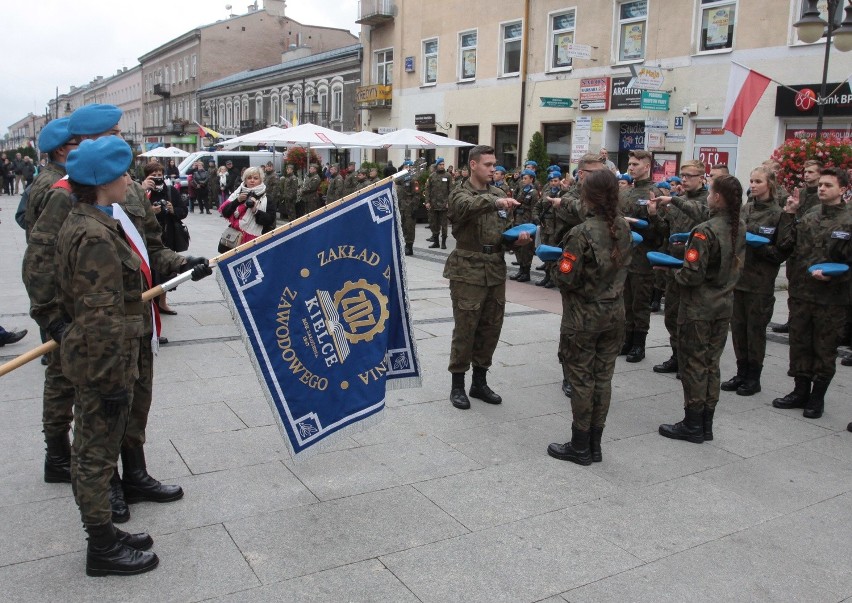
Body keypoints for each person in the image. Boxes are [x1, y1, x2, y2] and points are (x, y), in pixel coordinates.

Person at [24, 104, 210, 520]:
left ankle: (135, 473)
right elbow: (38, 262)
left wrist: (181, 264)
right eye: (109, 134)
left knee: (137, 396)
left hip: (134, 316)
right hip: (96, 322)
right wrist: (52, 319)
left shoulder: (128, 190)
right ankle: (106, 488)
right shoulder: (66, 198)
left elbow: (150, 247)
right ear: (85, 145)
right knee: (103, 407)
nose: (119, 141)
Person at [55, 135, 159, 576]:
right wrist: (112, 378)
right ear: (102, 181)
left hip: (100, 356)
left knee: (95, 451)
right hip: (103, 362)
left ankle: (105, 534)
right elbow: (100, 318)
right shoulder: (94, 235)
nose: (127, 179)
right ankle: (101, 546)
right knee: (95, 456)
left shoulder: (90, 220)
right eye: (121, 173)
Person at [547, 169, 632, 464]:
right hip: (615, 314)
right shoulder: (623, 227)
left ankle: (580, 445)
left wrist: (552, 267)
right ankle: (595, 443)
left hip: (584, 317)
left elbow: (566, 278)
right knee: (603, 379)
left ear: (588, 196)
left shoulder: (580, 233)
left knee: (582, 379)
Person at [657, 174, 746, 443]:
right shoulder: (738, 225)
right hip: (723, 305)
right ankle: (706, 422)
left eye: (711, 193)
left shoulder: (703, 232)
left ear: (717, 197)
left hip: (699, 308)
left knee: (694, 363)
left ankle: (693, 423)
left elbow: (692, 275)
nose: (708, 196)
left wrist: (671, 271)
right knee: (711, 364)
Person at [444, 145, 530, 410]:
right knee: (466, 328)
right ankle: (457, 384)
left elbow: (502, 233)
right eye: (488, 164)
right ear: (473, 165)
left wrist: (516, 241)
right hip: (468, 269)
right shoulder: (460, 193)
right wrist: (495, 202)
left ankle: (479, 382)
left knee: (491, 327)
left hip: (494, 268)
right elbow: (466, 209)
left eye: (494, 164)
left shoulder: (499, 194)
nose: (494, 169)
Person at [772, 167, 852, 419]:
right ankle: (800, 391)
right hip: (803, 292)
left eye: (828, 185)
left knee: (824, 348)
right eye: (821, 184)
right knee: (799, 344)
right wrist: (789, 214)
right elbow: (787, 244)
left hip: (832, 298)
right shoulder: (810, 215)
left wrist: (835, 276)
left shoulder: (849, 220)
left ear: (843, 189)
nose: (822, 188)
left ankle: (817, 398)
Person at [720, 166, 786, 396]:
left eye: (758, 181)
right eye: (751, 180)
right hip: (739, 279)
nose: (754, 185)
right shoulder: (744, 210)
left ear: (770, 184)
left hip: (760, 281)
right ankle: (741, 372)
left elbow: (782, 251)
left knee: (755, 330)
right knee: (737, 329)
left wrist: (760, 246)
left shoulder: (778, 214)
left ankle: (753, 376)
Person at [648, 160, 710, 376]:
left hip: (696, 269)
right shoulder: (678, 201)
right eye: (682, 175)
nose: (684, 179)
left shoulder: (708, 200)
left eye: (690, 176)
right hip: (675, 267)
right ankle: (676, 356)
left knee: (692, 319)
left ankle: (690, 361)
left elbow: (702, 215)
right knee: (672, 314)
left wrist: (673, 200)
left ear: (702, 177)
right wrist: (655, 214)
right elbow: (666, 231)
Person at [618, 150, 663, 363]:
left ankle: (639, 343)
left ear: (647, 166)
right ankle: (627, 339)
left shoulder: (655, 193)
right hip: (625, 255)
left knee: (640, 301)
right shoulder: (624, 193)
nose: (631, 167)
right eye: (629, 164)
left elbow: (661, 232)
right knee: (626, 300)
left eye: (636, 164)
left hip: (643, 256)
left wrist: (651, 218)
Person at [772, 160, 823, 335]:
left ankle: (809, 324)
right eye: (805, 171)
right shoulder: (798, 193)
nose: (806, 175)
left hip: (812, 247)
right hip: (795, 245)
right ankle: (791, 320)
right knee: (793, 286)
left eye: (811, 172)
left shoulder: (821, 195)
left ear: (819, 174)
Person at [141, 161, 188, 315]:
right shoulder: (141, 192)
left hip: (167, 236)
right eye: (153, 175)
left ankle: (162, 302)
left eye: (159, 175)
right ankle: (148, 304)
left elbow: (183, 211)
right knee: (149, 272)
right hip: (147, 237)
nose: (157, 178)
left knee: (165, 272)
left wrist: (173, 209)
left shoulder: (170, 191)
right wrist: (150, 211)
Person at [219, 166, 277, 253]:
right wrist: (237, 201)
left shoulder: (267, 198)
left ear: (261, 180)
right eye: (249, 178)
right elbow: (225, 213)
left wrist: (255, 211)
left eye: (255, 178)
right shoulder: (237, 193)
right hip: (234, 240)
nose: (252, 180)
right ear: (245, 180)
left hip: (255, 242)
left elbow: (270, 220)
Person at [509, 169, 538, 282]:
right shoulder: (522, 190)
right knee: (519, 247)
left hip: (527, 222)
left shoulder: (533, 192)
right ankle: (521, 270)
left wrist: (531, 224)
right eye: (523, 178)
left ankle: (526, 272)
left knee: (527, 248)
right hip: (518, 221)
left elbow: (534, 209)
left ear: (531, 179)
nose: (523, 180)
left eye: (526, 178)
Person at [426, 158, 453, 249]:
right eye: (440, 164)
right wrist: (427, 201)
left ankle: (443, 242)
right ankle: (436, 241)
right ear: (437, 165)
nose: (442, 166)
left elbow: (451, 190)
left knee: (444, 225)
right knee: (434, 224)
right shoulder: (432, 176)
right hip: (433, 204)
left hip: (444, 205)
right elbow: (428, 189)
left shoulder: (448, 175)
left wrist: (449, 202)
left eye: (443, 164)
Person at [396, 160, 417, 256]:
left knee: (409, 227)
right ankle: (404, 244)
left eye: (408, 167)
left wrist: (414, 207)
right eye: (405, 167)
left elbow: (416, 195)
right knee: (403, 226)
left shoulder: (413, 179)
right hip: (401, 206)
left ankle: (409, 246)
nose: (407, 168)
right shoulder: (401, 178)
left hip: (409, 206)